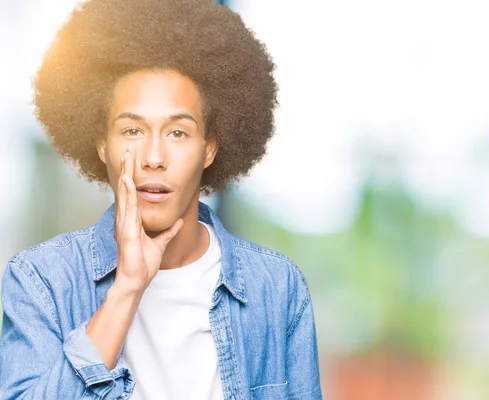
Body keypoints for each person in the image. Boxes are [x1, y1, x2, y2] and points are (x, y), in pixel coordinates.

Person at [0, 0, 322, 399]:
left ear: (209, 149)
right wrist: (127, 289)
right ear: (102, 144)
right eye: (132, 131)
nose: (154, 158)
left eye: (178, 133)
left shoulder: (276, 289)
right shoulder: (41, 282)